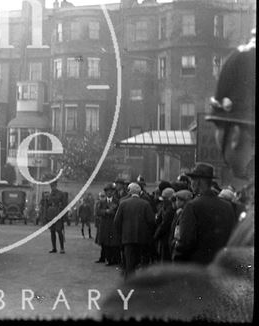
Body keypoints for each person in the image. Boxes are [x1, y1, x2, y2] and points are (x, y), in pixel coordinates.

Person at [102, 38, 255, 321]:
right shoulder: (231, 206)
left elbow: (183, 246)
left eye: (218, 126)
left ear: (234, 136)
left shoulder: (197, 208)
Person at [173, 163, 236, 264]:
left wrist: (176, 260)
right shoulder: (227, 206)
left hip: (197, 268)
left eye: (192, 180)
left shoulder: (192, 206)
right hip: (220, 266)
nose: (191, 183)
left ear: (199, 181)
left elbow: (185, 242)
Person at [114, 183, 155, 278]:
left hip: (127, 238)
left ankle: (129, 285)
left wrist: (122, 233)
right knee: (143, 262)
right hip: (143, 239)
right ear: (140, 192)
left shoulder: (123, 203)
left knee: (129, 264)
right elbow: (151, 221)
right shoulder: (145, 204)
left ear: (129, 191)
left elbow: (116, 221)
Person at [97, 184, 120, 266]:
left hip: (113, 224)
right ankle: (107, 258)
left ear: (113, 192)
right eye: (107, 191)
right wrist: (105, 211)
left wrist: (113, 212)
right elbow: (98, 212)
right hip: (105, 224)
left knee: (113, 242)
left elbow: (119, 211)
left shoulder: (117, 201)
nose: (109, 193)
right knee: (105, 242)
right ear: (106, 192)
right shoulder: (102, 202)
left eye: (111, 191)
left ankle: (113, 259)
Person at [153, 187, 175, 262]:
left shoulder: (170, 210)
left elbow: (164, 224)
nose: (163, 201)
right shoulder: (165, 208)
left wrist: (155, 236)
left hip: (166, 238)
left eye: (164, 199)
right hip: (163, 238)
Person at [44, 181, 67, 254]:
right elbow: (46, 205)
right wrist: (46, 216)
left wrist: (63, 215)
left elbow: (64, 205)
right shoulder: (49, 195)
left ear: (56, 185)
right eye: (51, 186)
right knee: (52, 231)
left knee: (59, 231)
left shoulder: (61, 194)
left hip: (58, 215)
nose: (52, 187)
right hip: (50, 215)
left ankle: (62, 248)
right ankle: (54, 248)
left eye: (53, 186)